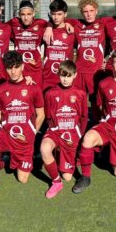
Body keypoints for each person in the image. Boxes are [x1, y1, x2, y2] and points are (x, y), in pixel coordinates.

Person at [72, 49, 116, 194]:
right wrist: (104, 121)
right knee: (88, 139)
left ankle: (111, 153)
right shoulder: (104, 84)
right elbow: (99, 106)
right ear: (111, 64)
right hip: (107, 126)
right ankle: (85, 177)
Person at [0, 51, 45, 198]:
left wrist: (33, 132)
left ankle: (9, 160)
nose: (13, 71)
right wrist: (3, 126)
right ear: (5, 68)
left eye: (16, 67)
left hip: (25, 137)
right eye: (9, 68)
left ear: (22, 66)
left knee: (22, 179)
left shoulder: (33, 88)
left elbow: (41, 114)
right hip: (6, 133)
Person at [41, 60, 88, 198]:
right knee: (44, 148)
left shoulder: (80, 93)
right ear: (58, 74)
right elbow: (48, 117)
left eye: (68, 76)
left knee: (68, 176)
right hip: (55, 131)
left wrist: (79, 135)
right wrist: (55, 129)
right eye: (62, 75)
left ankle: (59, 156)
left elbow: (84, 117)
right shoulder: (50, 93)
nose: (65, 79)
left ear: (75, 75)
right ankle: (56, 182)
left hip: (72, 134)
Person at [7, 0, 48, 88]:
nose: (26, 18)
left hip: (35, 69)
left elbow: (55, 24)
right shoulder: (14, 23)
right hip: (18, 69)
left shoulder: (41, 24)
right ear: (19, 15)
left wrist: (50, 27)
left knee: (36, 97)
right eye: (23, 14)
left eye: (29, 14)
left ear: (33, 14)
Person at [42, 0, 76, 91]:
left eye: (59, 14)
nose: (56, 17)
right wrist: (49, 26)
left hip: (66, 78)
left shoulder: (72, 30)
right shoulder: (45, 30)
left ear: (65, 14)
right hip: (48, 77)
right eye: (53, 14)